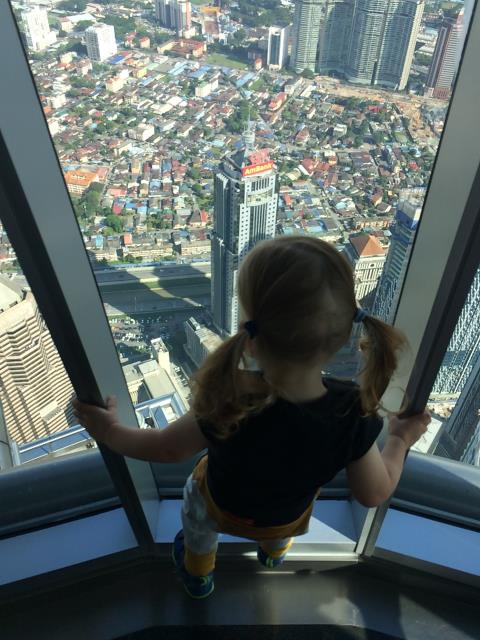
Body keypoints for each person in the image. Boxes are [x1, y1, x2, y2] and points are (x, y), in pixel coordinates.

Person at [73, 236, 430, 599]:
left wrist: (109, 430)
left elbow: (166, 449)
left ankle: (198, 574)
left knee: (197, 523)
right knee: (279, 527)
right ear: (343, 338)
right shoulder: (350, 412)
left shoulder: (230, 398)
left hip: (219, 506)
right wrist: (400, 439)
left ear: (251, 337)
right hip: (285, 518)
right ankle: (274, 554)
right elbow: (373, 493)